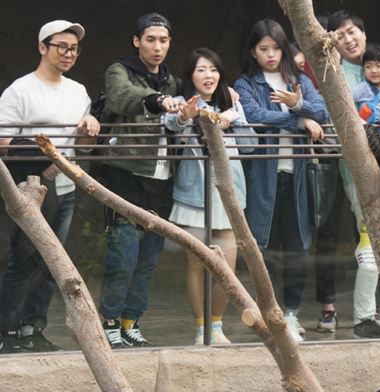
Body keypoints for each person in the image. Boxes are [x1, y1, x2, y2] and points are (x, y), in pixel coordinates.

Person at [0, 20, 99, 353]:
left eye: (74, 48)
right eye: (62, 47)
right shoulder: (20, 90)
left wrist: (89, 128)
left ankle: (33, 328)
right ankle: (7, 331)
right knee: (25, 259)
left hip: (66, 188)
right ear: (43, 47)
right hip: (30, 188)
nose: (69, 54)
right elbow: (2, 141)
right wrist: (42, 156)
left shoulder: (78, 91)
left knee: (52, 263)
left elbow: (82, 148)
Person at [234, 18, 329, 343]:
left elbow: (324, 112)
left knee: (299, 248)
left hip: (298, 176)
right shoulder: (247, 83)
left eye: (275, 48)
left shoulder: (298, 79)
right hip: (264, 176)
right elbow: (253, 116)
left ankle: (291, 314)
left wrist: (299, 105)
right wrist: (300, 120)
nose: (271, 54)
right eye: (264, 49)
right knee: (267, 248)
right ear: (253, 52)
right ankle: (271, 315)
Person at [98, 12, 182, 348]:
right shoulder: (120, 70)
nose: (157, 47)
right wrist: (155, 101)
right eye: (151, 39)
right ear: (137, 41)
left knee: (148, 258)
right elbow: (121, 96)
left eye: (163, 40)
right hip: (126, 174)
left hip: (162, 178)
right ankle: (109, 324)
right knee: (123, 256)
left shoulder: (171, 80)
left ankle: (132, 322)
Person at [164, 48, 256, 345]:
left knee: (226, 266)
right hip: (194, 193)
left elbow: (251, 144)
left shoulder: (232, 103)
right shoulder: (182, 102)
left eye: (213, 69)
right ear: (190, 75)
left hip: (229, 193)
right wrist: (186, 117)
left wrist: (233, 120)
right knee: (196, 264)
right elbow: (171, 126)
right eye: (201, 69)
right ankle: (201, 327)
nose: (208, 75)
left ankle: (216, 326)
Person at [328, 10, 380, 338]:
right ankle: (364, 316)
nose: (349, 39)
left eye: (352, 32)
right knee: (370, 242)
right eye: (340, 35)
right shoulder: (335, 73)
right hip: (359, 174)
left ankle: (378, 313)